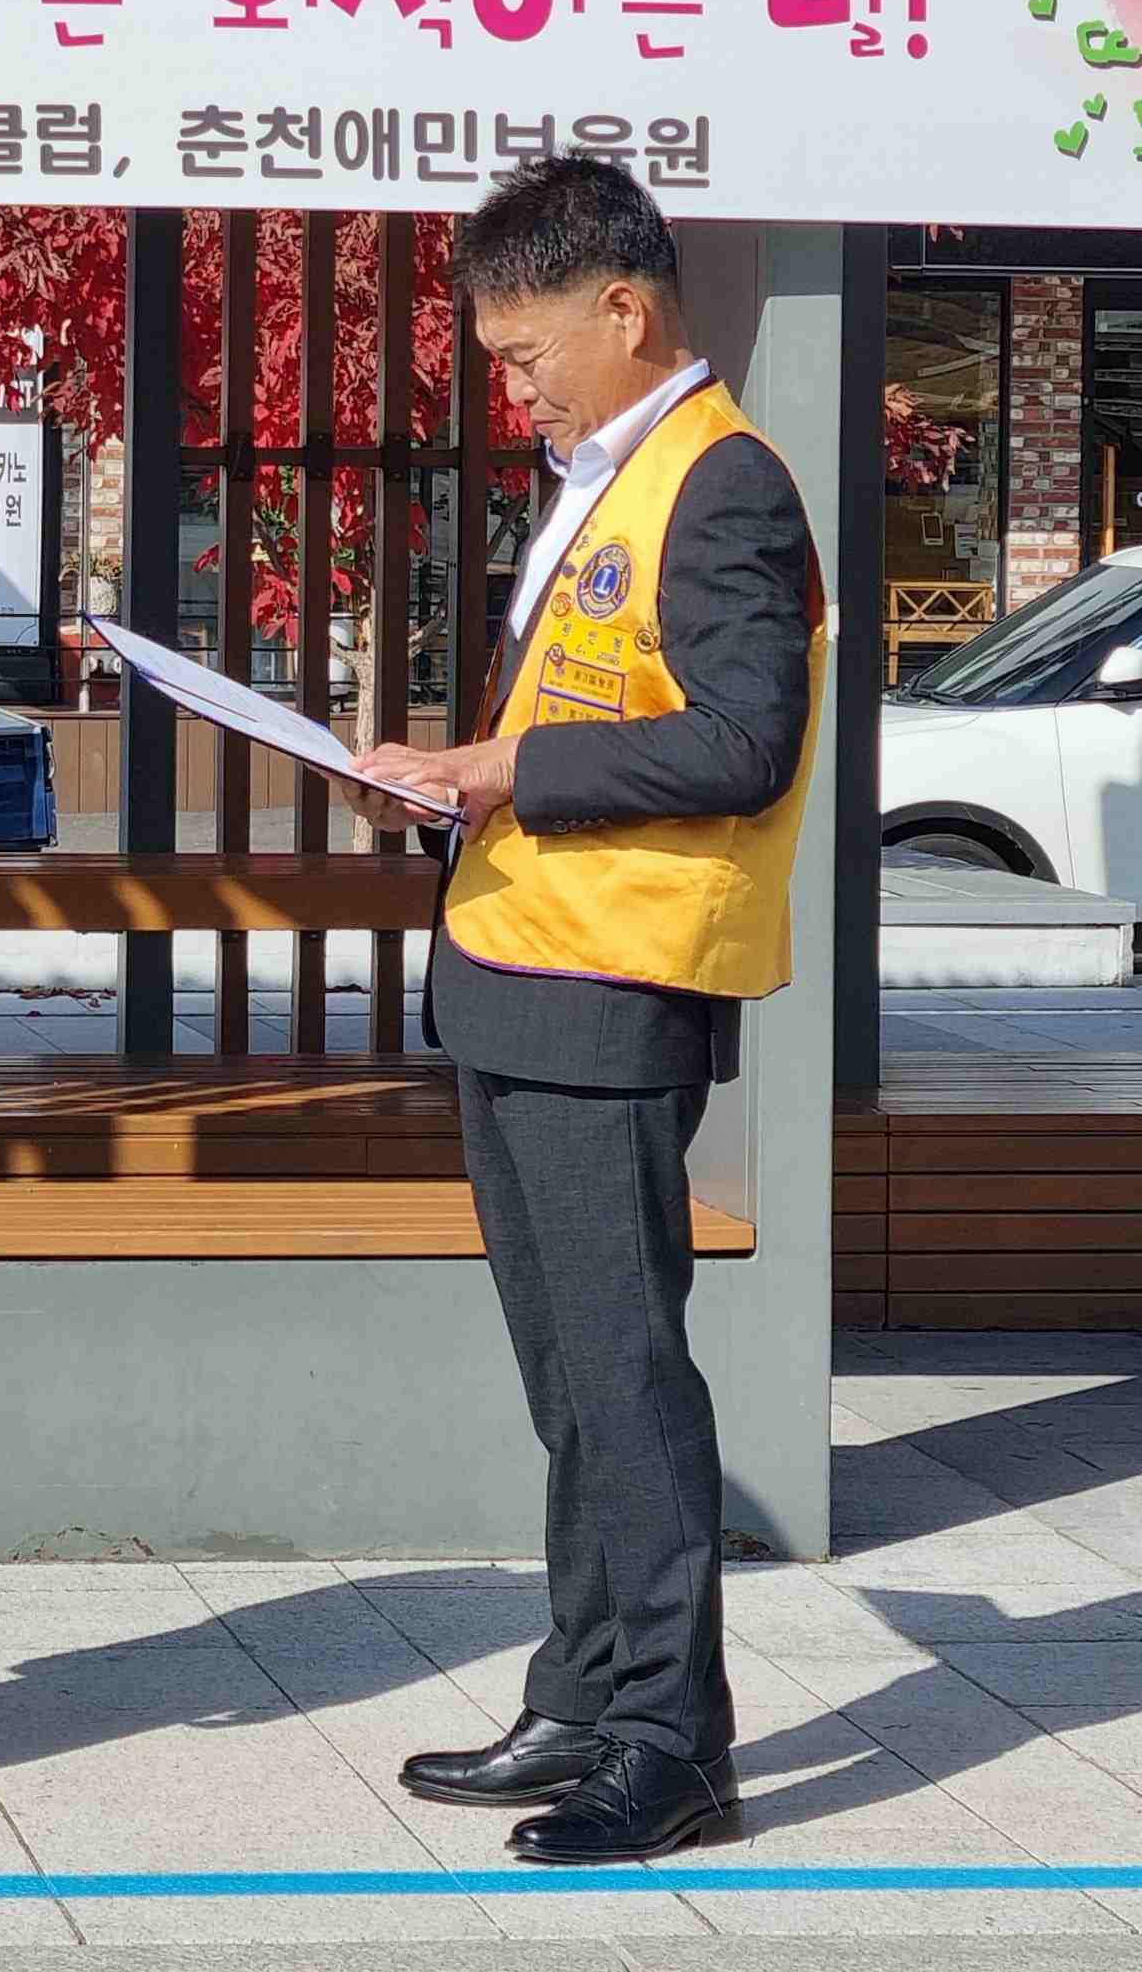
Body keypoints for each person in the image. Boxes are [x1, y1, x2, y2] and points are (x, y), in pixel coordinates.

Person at [344, 155, 824, 1867]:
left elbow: (744, 738)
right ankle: (584, 1683)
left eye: (527, 351)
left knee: (626, 1371)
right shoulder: (603, 478)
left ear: (625, 309)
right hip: (518, 967)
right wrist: (457, 783)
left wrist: (508, 769)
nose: (514, 387)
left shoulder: (724, 483)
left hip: (613, 982)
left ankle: (671, 1739)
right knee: (567, 1373)